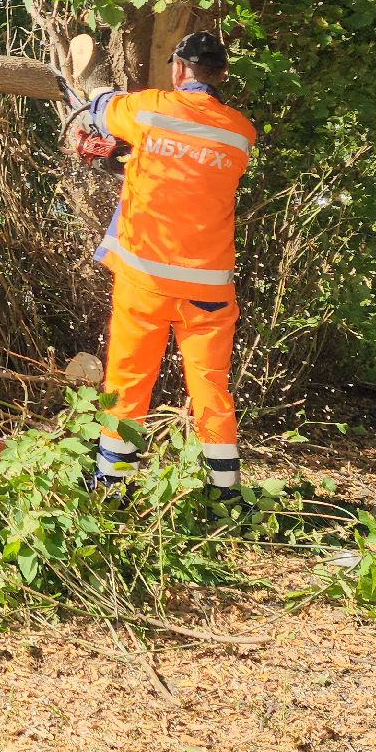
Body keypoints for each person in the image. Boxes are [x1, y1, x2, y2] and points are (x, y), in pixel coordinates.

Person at [76, 31, 256, 498]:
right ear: (222, 74)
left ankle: (112, 487)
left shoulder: (150, 108)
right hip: (209, 290)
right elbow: (195, 173)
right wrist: (136, 160)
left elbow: (102, 108)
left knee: (128, 380)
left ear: (178, 69)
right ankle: (226, 495)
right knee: (211, 389)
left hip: (146, 280)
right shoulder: (241, 133)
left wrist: (98, 91)